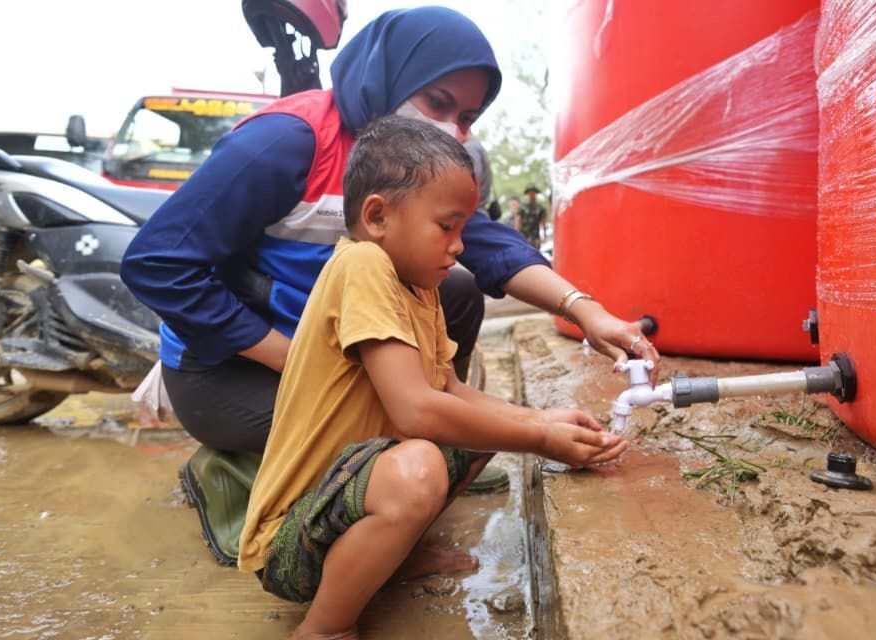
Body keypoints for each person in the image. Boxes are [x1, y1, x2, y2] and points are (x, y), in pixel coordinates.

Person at [120, 7, 658, 562]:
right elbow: (157, 263)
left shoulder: (415, 170)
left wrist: (584, 311)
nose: (453, 128)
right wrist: (299, 360)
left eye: (468, 116)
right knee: (412, 416)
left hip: (334, 350)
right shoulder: (289, 141)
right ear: (385, 77)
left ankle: (397, 474)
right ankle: (251, 489)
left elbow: (489, 245)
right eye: (438, 102)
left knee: (457, 293)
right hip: (227, 371)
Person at [240, 115, 628, 636]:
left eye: (464, 229)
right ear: (377, 216)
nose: (460, 245)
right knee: (420, 465)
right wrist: (539, 438)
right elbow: (415, 409)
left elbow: (449, 389)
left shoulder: (419, 285)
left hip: (349, 499)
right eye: (447, 226)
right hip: (293, 541)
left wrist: (541, 418)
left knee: (473, 430)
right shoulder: (363, 265)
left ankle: (392, 555)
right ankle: (325, 627)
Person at [516, 184, 548, 248]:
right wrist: (517, 235)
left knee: (535, 255)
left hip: (535, 238)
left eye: (533, 192)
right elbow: (518, 220)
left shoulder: (540, 208)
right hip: (524, 237)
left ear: (536, 193)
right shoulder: (522, 207)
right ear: (527, 194)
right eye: (530, 192)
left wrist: (544, 235)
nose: (531, 194)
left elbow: (543, 222)